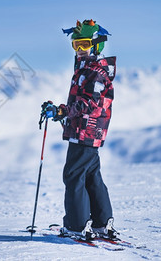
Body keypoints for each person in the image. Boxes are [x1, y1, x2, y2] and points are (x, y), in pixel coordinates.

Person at [42, 19, 118, 240]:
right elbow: (83, 103)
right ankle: (102, 224)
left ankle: (77, 226)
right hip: (86, 131)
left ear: (96, 45)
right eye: (76, 45)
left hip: (87, 131)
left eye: (84, 44)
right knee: (91, 176)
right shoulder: (89, 69)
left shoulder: (95, 72)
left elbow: (90, 103)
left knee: (74, 176)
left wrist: (63, 112)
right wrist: (62, 112)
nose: (79, 50)